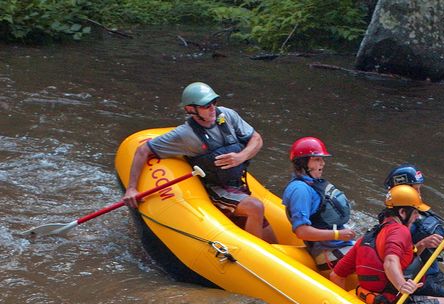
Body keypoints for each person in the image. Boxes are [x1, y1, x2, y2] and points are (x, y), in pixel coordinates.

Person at [123, 81, 276, 243]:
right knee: (256, 207)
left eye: (214, 103)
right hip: (216, 189)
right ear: (191, 110)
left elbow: (256, 138)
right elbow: (143, 150)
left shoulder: (227, 115)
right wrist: (131, 188)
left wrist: (241, 156)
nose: (212, 108)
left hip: (239, 186)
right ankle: (251, 254)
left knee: (273, 240)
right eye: (205, 106)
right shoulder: (185, 135)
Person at [330, 184, 444, 304]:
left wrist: (421, 245)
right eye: (415, 212)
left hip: (372, 301)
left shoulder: (368, 236)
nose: (417, 217)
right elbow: (390, 261)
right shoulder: (400, 231)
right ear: (402, 212)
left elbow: (336, 275)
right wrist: (402, 285)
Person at [383, 165, 444, 297]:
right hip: (418, 278)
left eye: (419, 189)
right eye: (415, 189)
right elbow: (395, 259)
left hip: (431, 272)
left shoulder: (415, 212)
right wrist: (422, 244)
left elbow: (434, 235)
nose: (419, 194)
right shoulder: (397, 224)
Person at [282, 137, 356, 272]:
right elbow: (302, 231)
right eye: (317, 159)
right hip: (328, 253)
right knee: (375, 256)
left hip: (339, 246)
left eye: (322, 159)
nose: (323, 163)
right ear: (303, 163)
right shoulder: (300, 190)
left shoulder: (312, 184)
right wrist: (338, 235)